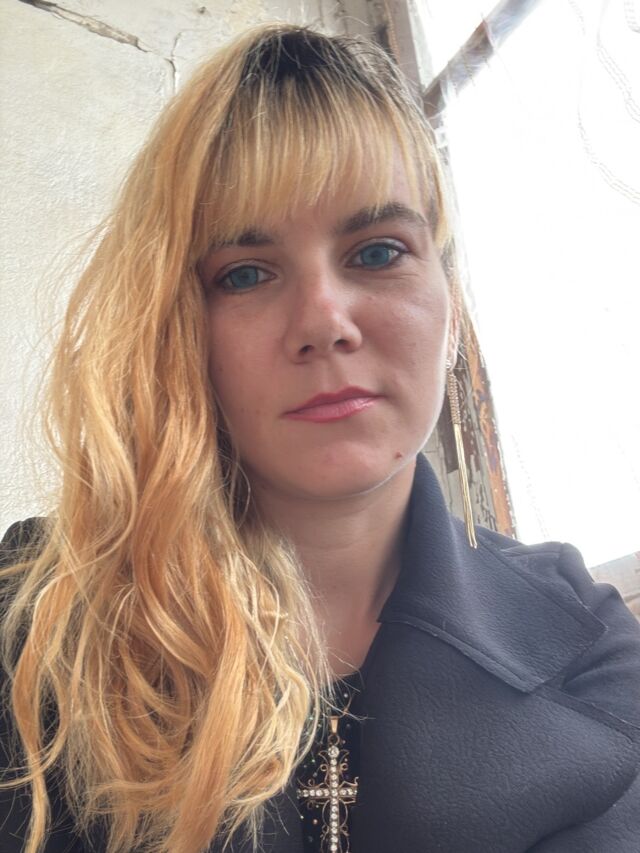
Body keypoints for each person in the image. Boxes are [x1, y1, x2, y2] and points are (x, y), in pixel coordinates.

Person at [1, 21, 639, 853]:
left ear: (451, 311)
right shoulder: (35, 618)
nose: (323, 321)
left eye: (377, 252)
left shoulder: (585, 639)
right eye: (245, 273)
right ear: (176, 326)